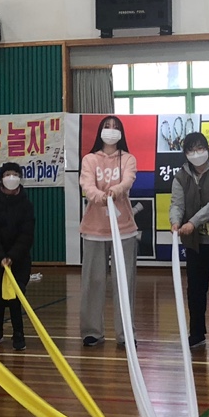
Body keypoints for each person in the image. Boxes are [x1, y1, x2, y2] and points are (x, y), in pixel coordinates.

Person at [168, 131, 209, 352]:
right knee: (195, 291)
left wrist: (193, 222)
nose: (196, 154)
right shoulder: (181, 176)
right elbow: (177, 203)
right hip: (195, 244)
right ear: (185, 154)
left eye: (200, 148)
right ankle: (196, 333)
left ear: (207, 148)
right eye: (191, 150)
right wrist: (176, 221)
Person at [78, 115, 139, 348]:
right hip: (94, 230)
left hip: (124, 230)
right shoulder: (90, 159)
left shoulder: (128, 159)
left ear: (121, 133)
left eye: (115, 127)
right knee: (93, 282)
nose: (111, 131)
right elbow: (87, 184)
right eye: (107, 126)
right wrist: (100, 197)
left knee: (125, 282)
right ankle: (92, 331)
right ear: (100, 131)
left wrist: (116, 191)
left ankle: (126, 333)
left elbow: (127, 181)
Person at [0, 162, 35, 350]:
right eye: (7, 174)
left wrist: (12, 256)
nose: (11, 178)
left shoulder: (26, 205)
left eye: (15, 174)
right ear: (1, 179)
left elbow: (27, 234)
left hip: (18, 261)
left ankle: (18, 334)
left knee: (15, 297)